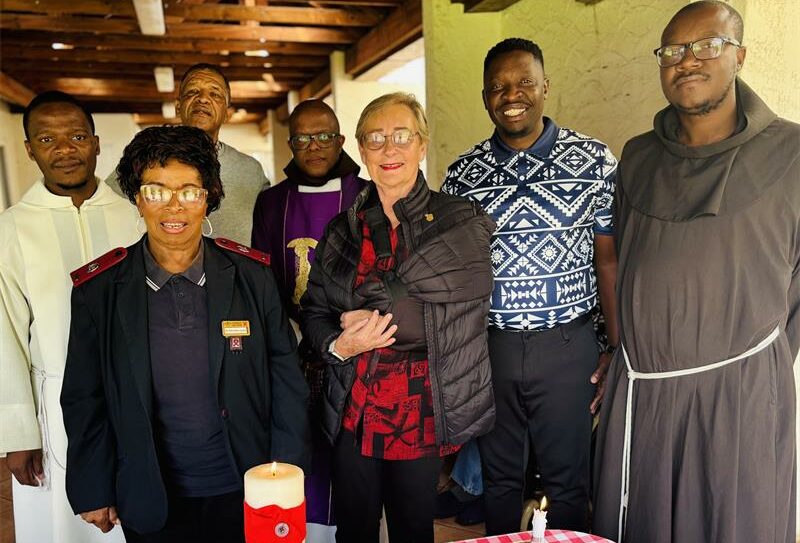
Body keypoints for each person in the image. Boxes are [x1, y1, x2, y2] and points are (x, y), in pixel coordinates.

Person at [592, 2, 800, 542]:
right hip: (645, 391)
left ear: (741, 56)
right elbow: (622, 259)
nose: (687, 61)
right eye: (672, 52)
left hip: (740, 394)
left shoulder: (794, 152)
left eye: (707, 46)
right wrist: (621, 348)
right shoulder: (637, 157)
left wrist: (759, 362)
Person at [60, 125, 310, 543]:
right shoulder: (99, 291)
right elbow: (85, 396)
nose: (173, 207)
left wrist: (284, 471)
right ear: (137, 199)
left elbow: (286, 378)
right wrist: (92, 485)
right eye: (156, 191)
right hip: (150, 489)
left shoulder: (252, 277)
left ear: (209, 196)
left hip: (246, 484)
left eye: (189, 191)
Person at [441, 38, 619, 535]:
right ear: (484, 97)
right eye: (497, 86)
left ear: (545, 87)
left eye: (523, 82)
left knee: (568, 483)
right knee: (498, 481)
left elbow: (609, 262)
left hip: (568, 346)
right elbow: (457, 277)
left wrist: (615, 347)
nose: (511, 94)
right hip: (491, 347)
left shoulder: (594, 161)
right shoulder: (461, 175)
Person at [301, 92, 496, 543]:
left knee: (412, 530)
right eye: (376, 138)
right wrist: (338, 343)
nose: (389, 149)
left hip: (421, 405)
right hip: (354, 404)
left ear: (422, 144)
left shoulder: (457, 222)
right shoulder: (340, 231)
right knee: (354, 530)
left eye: (401, 136)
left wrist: (374, 315)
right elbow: (314, 311)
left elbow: (468, 302)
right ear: (361, 149)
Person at [0, 91, 138, 543]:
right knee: (65, 525)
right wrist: (19, 433)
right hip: (56, 405)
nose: (65, 150)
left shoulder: (135, 215)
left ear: (97, 144)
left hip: (136, 394)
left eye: (77, 136)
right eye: (47, 139)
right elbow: (6, 335)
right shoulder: (13, 227)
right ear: (30, 150)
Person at [251, 99, 367, 542]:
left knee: (350, 455)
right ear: (290, 145)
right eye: (302, 138)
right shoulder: (270, 203)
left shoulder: (367, 194)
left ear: (340, 140)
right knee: (302, 449)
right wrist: (291, 333)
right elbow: (262, 276)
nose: (314, 146)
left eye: (324, 136)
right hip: (293, 346)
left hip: (355, 348)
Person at [107, 63, 270, 244]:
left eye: (215, 94)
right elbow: (104, 206)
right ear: (178, 107)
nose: (203, 99)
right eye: (192, 92)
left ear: (227, 113)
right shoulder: (146, 159)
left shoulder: (250, 170)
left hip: (236, 272)